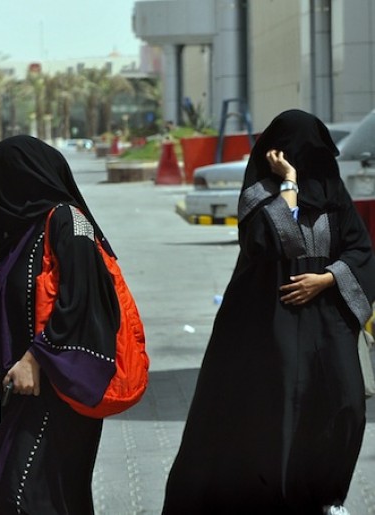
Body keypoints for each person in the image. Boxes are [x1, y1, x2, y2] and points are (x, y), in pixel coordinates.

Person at [162, 109, 375, 514]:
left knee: (344, 406)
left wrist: (326, 279)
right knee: (277, 412)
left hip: (327, 320)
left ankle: (322, 496)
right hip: (268, 322)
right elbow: (278, 242)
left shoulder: (334, 195)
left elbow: (360, 251)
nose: (307, 159)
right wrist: (289, 184)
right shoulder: (258, 196)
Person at [0, 135, 127, 514]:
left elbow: (85, 301)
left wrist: (35, 357)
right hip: (26, 398)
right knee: (22, 496)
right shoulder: (25, 239)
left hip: (61, 392)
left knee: (22, 497)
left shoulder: (69, 220)